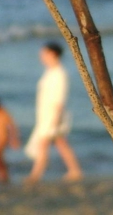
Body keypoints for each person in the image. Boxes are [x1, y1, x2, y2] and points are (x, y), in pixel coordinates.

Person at [24, 42, 83, 184]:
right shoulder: (50, 72)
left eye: (44, 53)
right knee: (61, 143)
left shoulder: (59, 73)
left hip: (53, 115)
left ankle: (35, 175)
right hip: (46, 114)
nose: (41, 57)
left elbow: (59, 97)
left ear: (52, 54)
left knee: (43, 143)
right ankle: (75, 170)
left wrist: (56, 117)